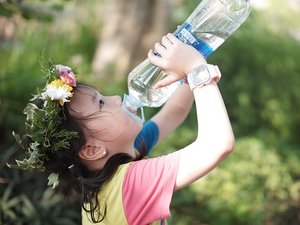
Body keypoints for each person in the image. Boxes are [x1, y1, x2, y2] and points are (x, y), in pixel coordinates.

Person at [10, 33, 235, 225]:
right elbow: (217, 145)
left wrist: (192, 61)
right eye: (100, 103)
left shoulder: (113, 174)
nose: (116, 98)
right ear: (91, 150)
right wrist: (196, 69)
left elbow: (173, 113)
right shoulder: (131, 185)